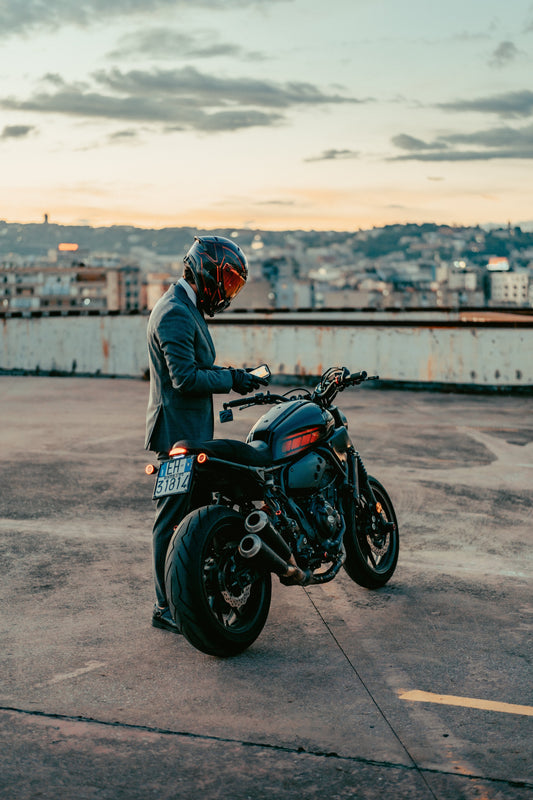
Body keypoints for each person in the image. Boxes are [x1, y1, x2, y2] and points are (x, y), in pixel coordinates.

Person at [145, 235, 265, 633]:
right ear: (207, 271)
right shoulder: (175, 313)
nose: (228, 292)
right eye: (227, 281)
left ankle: (189, 597)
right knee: (171, 522)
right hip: (176, 436)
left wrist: (235, 377)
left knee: (195, 517)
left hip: (191, 431)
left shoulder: (186, 307)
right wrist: (232, 378)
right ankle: (166, 607)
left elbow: (195, 368)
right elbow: (184, 378)